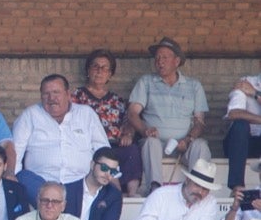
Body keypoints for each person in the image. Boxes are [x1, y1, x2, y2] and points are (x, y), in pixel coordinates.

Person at [128, 37, 211, 195]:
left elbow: (199, 123)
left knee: (201, 145)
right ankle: (155, 190)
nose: (160, 62)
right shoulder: (146, 82)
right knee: (151, 143)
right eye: (157, 58)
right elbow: (132, 113)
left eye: (165, 57)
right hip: (155, 144)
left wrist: (188, 140)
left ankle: (198, 189)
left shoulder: (194, 86)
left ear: (177, 61)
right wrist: (145, 130)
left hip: (184, 147)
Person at [11, 74, 109, 201]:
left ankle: (59, 207)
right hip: (41, 185)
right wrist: (12, 186)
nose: (51, 98)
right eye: (46, 94)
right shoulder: (30, 115)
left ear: (68, 94)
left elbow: (103, 151)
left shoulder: (86, 114)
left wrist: (110, 177)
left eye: (56, 92)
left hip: (80, 184)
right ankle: (59, 206)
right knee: (23, 177)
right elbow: (15, 152)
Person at [72, 49, 141, 196]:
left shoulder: (116, 100)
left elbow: (128, 120)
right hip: (90, 146)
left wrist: (128, 133)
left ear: (110, 74)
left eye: (104, 68)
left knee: (132, 150)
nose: (99, 71)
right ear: (88, 70)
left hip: (114, 145)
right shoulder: (77, 96)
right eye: (95, 66)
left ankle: (131, 194)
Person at [223, 64, 261, 190]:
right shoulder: (245, 82)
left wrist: (256, 94)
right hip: (241, 144)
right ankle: (237, 188)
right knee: (240, 125)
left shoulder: (252, 89)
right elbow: (233, 113)